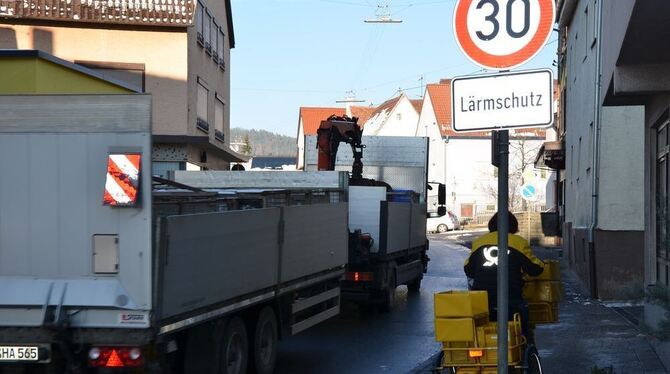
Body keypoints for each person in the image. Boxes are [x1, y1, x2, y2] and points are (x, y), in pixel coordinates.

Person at [463, 211, 544, 339]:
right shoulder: (518, 242)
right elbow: (536, 269)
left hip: (482, 300)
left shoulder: (479, 242)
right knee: (523, 328)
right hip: (510, 298)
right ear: (513, 226)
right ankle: (526, 346)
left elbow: (468, 270)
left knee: (480, 334)